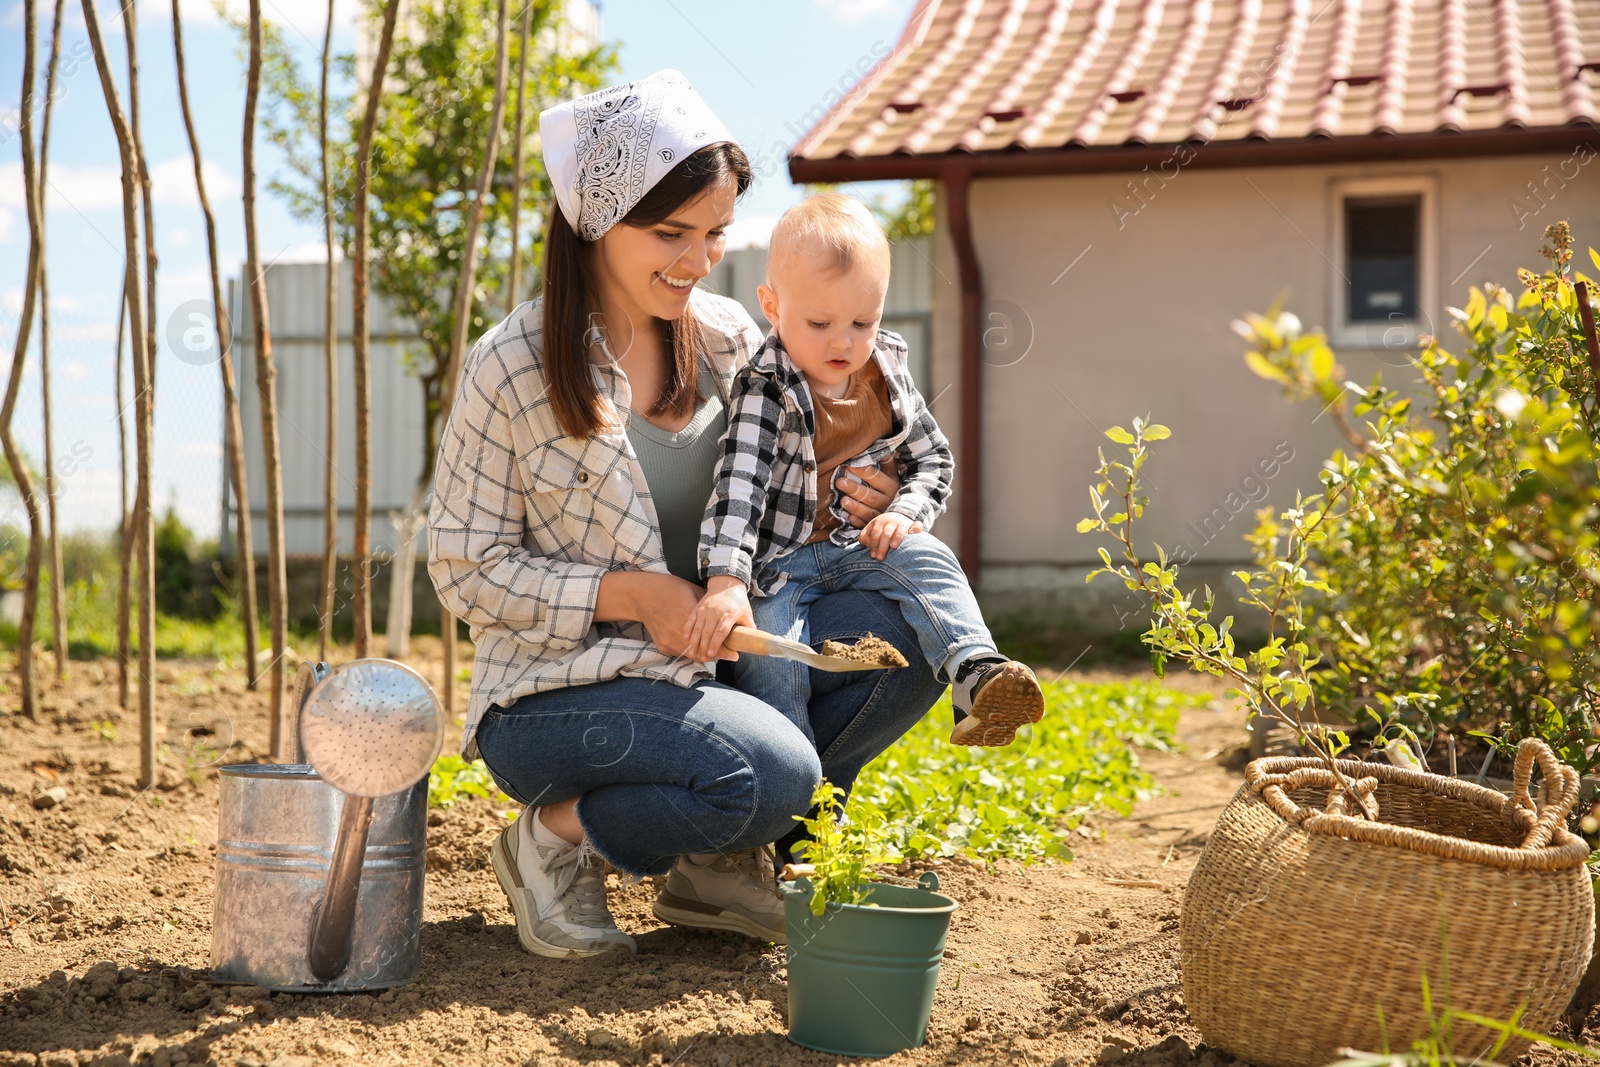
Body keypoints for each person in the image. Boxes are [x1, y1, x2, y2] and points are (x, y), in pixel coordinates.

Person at [426, 71, 945, 961]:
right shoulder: (509, 366)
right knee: (780, 771)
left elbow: (796, 483)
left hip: (719, 665)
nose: (699, 259)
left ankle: (718, 859)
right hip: (560, 695)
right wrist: (636, 594)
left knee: (915, 630)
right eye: (671, 233)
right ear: (595, 221)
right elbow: (464, 568)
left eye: (715, 234)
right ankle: (551, 837)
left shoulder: (733, 338)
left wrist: (866, 492)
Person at [684, 193, 1045, 747]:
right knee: (774, 658)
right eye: (821, 321)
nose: (844, 340)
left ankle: (976, 674)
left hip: (861, 545)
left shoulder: (886, 372)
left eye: (863, 321)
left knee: (930, 558)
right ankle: (787, 783)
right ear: (772, 307)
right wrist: (726, 580)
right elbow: (740, 485)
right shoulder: (768, 385)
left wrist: (902, 511)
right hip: (783, 564)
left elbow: (933, 459)